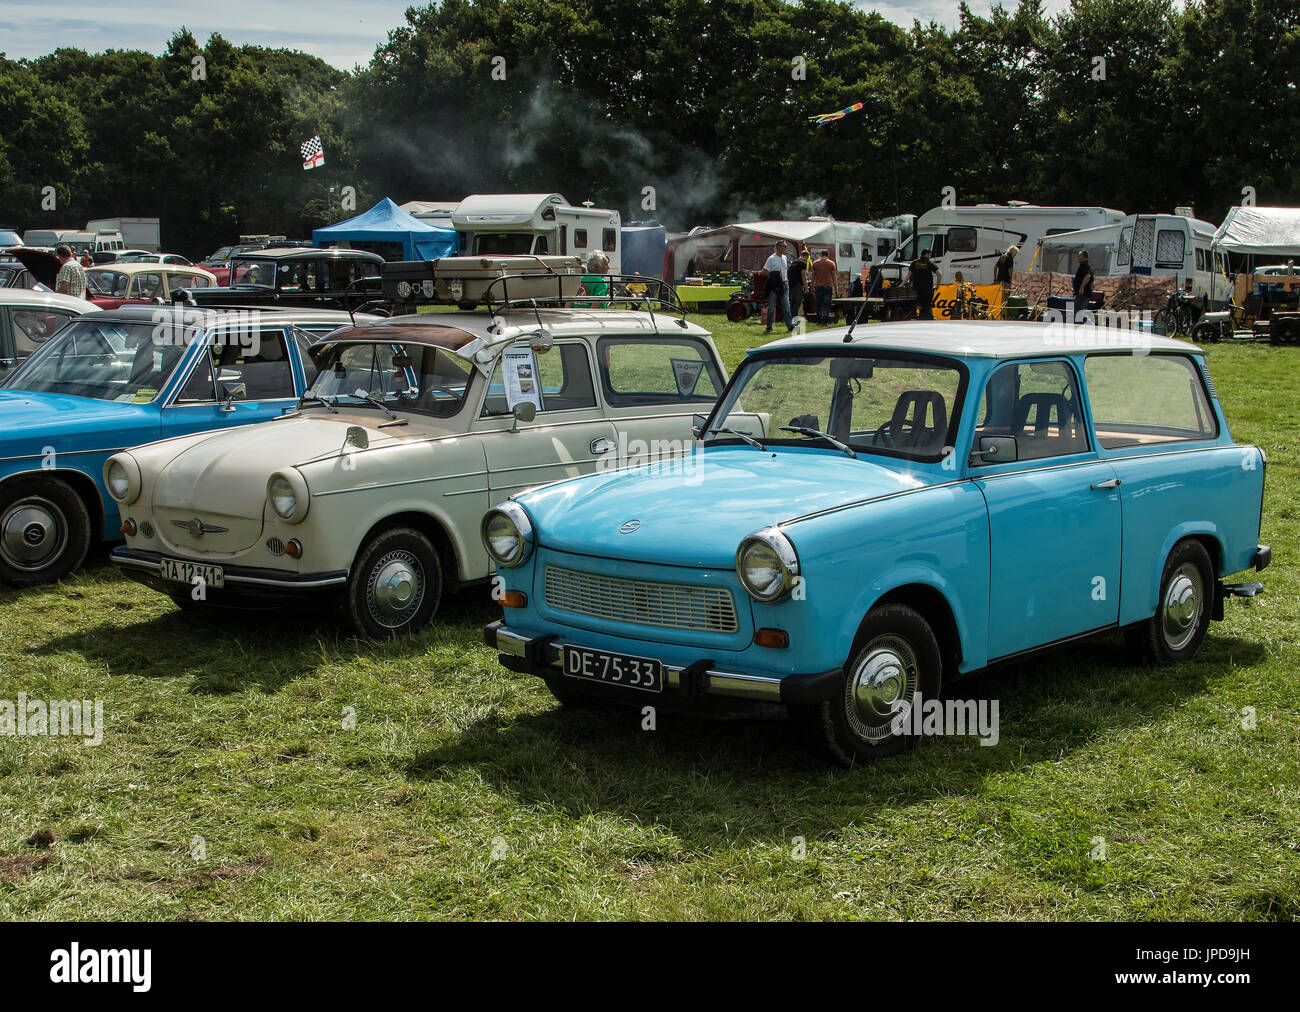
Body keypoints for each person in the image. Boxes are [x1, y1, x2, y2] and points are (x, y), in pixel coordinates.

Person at [762, 241, 793, 334]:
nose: (785, 248)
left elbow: (784, 271)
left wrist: (786, 279)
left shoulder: (784, 257)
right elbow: (764, 271)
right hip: (774, 285)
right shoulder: (771, 258)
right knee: (771, 307)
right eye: (784, 246)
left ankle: (790, 326)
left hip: (784, 284)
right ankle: (769, 327)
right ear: (778, 247)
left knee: (786, 306)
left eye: (786, 246)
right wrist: (774, 274)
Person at [909, 248, 940, 320]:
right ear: (926, 254)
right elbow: (939, 274)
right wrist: (938, 285)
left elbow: (908, 275)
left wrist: (902, 284)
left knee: (921, 304)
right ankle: (929, 316)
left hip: (917, 289)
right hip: (928, 288)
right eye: (929, 255)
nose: (930, 256)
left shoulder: (915, 263)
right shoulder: (929, 263)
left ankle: (921, 316)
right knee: (927, 304)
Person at [811, 248, 837, 324]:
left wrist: (812, 286)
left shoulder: (815, 263)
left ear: (821, 255)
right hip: (828, 286)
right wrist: (836, 288)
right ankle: (825, 320)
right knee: (827, 304)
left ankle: (819, 319)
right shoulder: (831, 263)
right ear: (827, 255)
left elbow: (813, 276)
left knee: (819, 304)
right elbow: (834, 277)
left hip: (818, 286)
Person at [787, 244, 809, 322]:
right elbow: (803, 276)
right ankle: (793, 320)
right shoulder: (803, 263)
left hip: (791, 284)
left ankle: (788, 319)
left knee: (792, 303)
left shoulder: (794, 262)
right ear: (806, 256)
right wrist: (806, 288)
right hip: (797, 285)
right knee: (797, 303)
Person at [1072, 249, 1094, 322]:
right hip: (1084, 293)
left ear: (1084, 257)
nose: (1078, 257)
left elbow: (1087, 276)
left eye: (1079, 255)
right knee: (1079, 312)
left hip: (1083, 294)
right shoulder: (1088, 266)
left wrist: (1081, 288)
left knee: (1078, 312)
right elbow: (1091, 281)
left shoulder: (1084, 265)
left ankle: (1089, 324)